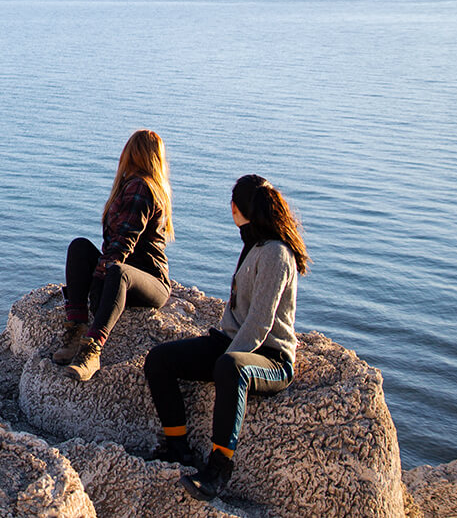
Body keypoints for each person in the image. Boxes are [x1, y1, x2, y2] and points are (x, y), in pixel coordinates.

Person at [142, 174, 310, 502]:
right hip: (231, 344)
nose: (229, 208)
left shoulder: (275, 253)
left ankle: (219, 468)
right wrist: (221, 351)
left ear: (240, 208)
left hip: (272, 357)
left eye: (231, 202)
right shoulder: (254, 245)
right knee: (159, 360)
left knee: (230, 367)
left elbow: (261, 323)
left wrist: (224, 360)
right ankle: (177, 446)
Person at [46, 129, 175, 381]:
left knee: (117, 270)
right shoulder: (134, 185)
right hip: (124, 274)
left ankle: (92, 349)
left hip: (151, 283)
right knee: (80, 247)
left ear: (130, 154)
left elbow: (123, 243)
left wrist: (98, 282)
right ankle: (77, 325)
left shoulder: (141, 188)